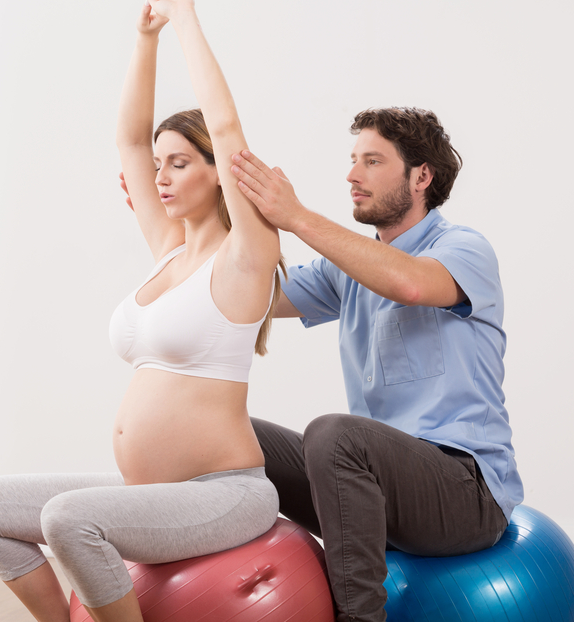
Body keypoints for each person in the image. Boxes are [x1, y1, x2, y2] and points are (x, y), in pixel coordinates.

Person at [0, 0, 285, 622]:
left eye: (180, 162)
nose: (158, 175)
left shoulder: (246, 257)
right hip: (152, 491)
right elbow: (128, 140)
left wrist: (186, 17)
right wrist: (145, 40)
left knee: (69, 518)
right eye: (159, 164)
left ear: (219, 171)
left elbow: (224, 124)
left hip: (224, 492)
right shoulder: (167, 247)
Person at [225, 109, 524, 622]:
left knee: (335, 434)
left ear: (421, 176)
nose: (352, 175)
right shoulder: (346, 269)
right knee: (225, 429)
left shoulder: (463, 248)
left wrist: (296, 216)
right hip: (379, 490)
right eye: (352, 160)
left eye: (372, 161)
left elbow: (407, 282)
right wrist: (191, 214)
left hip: (466, 492)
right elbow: (246, 293)